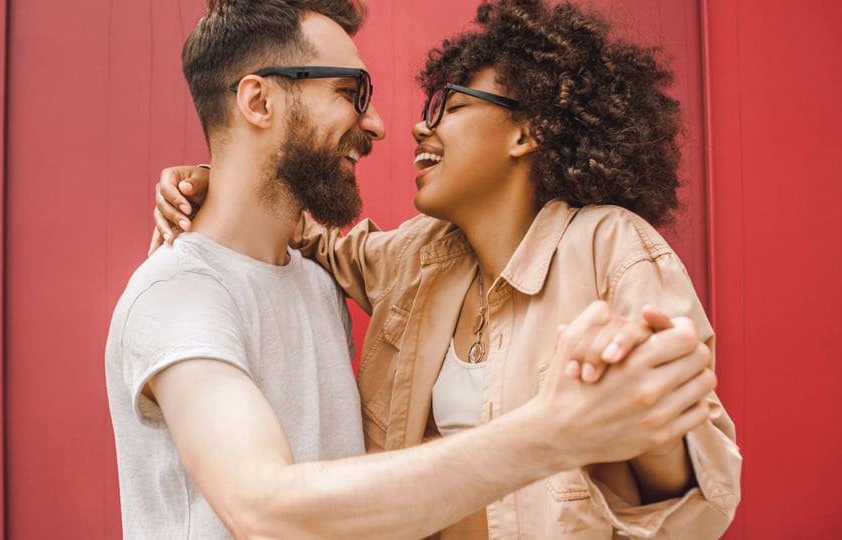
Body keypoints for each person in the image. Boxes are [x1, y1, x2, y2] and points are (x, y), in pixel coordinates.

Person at [149, 0, 741, 538]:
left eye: (452, 106)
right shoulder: (417, 258)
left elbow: (701, 504)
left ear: (526, 131)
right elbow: (303, 233)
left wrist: (639, 411)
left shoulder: (608, 248)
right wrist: (214, 178)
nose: (415, 125)